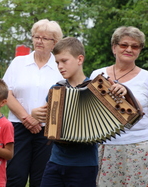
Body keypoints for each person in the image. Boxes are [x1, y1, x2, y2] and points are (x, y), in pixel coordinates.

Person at [37, 37, 128, 187]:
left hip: (84, 164)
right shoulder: (56, 89)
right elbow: (47, 118)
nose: (60, 66)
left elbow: (126, 111)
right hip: (55, 161)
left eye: (64, 61)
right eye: (57, 62)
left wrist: (123, 92)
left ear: (79, 59)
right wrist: (36, 115)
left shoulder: (100, 90)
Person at [2, 19, 64, 187]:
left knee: (42, 178)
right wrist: (27, 118)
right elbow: (6, 92)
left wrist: (38, 118)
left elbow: (64, 96)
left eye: (45, 38)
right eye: (36, 36)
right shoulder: (19, 63)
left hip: (48, 131)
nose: (39, 41)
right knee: (15, 176)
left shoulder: (60, 66)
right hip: (18, 127)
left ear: (55, 43)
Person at [90, 26, 148, 186]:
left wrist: (127, 95)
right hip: (105, 146)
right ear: (114, 47)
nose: (129, 49)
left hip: (139, 146)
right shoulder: (97, 75)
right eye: (124, 45)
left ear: (139, 50)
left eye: (135, 46)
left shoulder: (146, 78)